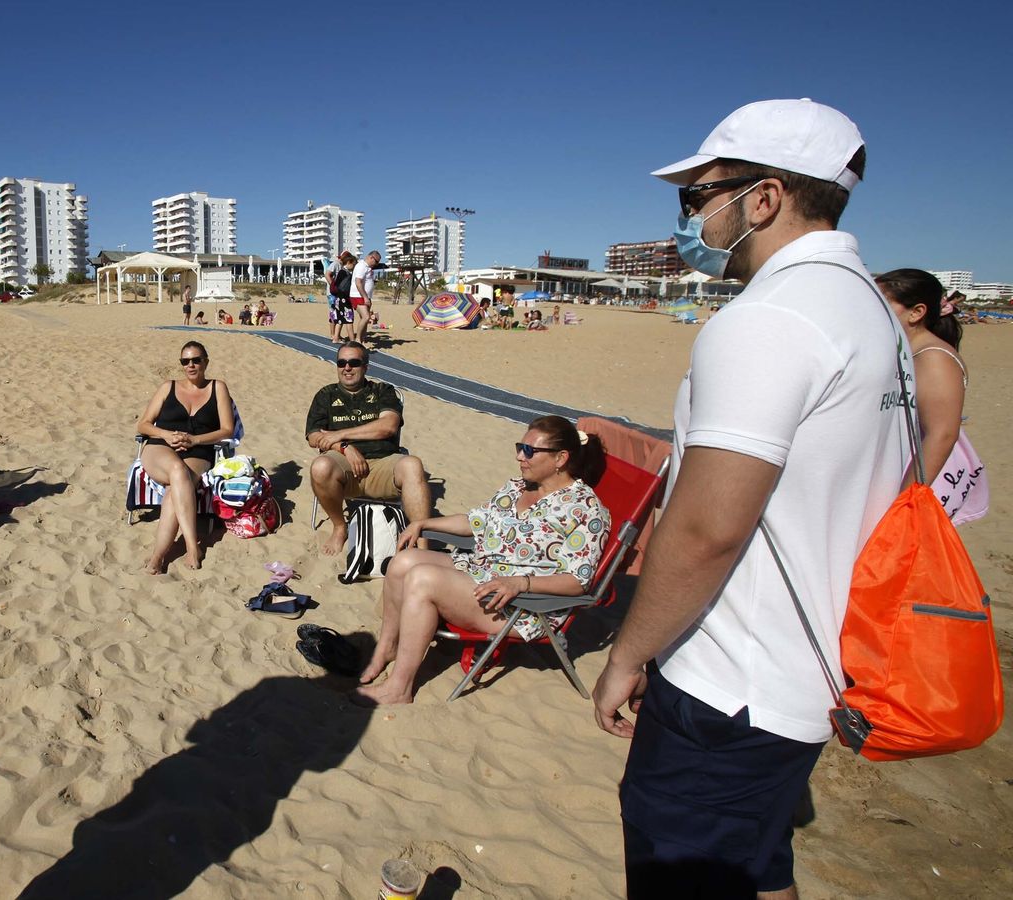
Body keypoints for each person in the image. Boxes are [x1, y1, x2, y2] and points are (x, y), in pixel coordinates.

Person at [591, 99, 909, 899]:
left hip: (730, 685)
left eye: (697, 198)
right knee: (761, 865)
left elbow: (707, 529)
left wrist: (627, 654)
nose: (689, 217)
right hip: (813, 676)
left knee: (686, 864)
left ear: (763, 198)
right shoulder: (873, 313)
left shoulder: (770, 320)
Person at [355, 417, 609, 706]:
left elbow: (579, 582)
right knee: (404, 562)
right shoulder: (519, 487)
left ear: (560, 458)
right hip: (482, 572)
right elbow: (476, 522)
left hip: (523, 605)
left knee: (422, 579)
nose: (519, 456)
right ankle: (388, 648)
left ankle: (399, 688)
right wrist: (424, 524)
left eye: (529, 450)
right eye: (520, 447)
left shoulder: (586, 511)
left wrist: (520, 583)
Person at [306, 340, 432, 556]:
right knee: (320, 466)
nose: (347, 368)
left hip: (383, 463)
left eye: (354, 362)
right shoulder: (326, 395)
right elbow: (313, 435)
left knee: (413, 465)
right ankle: (339, 527)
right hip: (343, 467)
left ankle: (422, 546)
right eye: (342, 362)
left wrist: (339, 434)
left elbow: (388, 426)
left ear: (365, 366)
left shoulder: (383, 390)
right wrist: (345, 447)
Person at [135, 340, 236, 573]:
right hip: (160, 446)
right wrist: (167, 435)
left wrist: (195, 440)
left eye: (196, 360)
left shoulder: (218, 387)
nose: (191, 365)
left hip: (198, 451)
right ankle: (193, 546)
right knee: (177, 471)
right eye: (185, 361)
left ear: (205, 362)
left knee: (175, 487)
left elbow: (227, 429)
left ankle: (159, 556)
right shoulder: (167, 387)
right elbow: (143, 424)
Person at [876, 269, 965, 484]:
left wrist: (905, 504)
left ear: (916, 312)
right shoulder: (903, 351)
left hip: (914, 481)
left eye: (881, 303)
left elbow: (942, 435)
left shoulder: (934, 358)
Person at [349, 250, 380, 345]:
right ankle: (358, 339)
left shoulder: (367, 267)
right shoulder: (361, 266)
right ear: (371, 257)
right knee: (366, 317)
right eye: (376, 262)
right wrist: (365, 297)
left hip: (365, 296)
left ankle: (362, 340)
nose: (376, 264)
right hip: (358, 296)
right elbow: (358, 282)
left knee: (364, 318)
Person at [327, 251, 357, 343]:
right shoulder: (344, 272)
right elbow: (342, 287)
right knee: (349, 320)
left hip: (338, 299)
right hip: (344, 299)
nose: (354, 267)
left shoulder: (342, 272)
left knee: (340, 319)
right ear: (348, 262)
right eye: (353, 264)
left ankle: (336, 337)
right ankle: (352, 340)